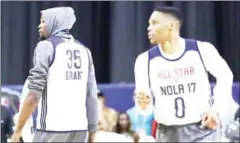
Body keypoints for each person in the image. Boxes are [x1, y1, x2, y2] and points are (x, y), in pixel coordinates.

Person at [134, 6, 233, 142]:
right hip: (166, 131)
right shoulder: (144, 60)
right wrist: (143, 104)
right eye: (149, 24)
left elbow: (225, 75)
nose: (149, 28)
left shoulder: (201, 49)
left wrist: (216, 109)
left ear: (172, 26)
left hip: (202, 129)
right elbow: (144, 106)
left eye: (154, 23)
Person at [11, 7, 99, 142]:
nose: (39, 26)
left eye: (43, 21)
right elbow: (91, 96)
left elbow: (34, 94)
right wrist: (92, 132)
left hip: (51, 128)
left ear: (55, 22)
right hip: (80, 130)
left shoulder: (46, 46)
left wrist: (18, 131)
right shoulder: (85, 51)